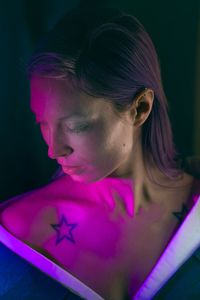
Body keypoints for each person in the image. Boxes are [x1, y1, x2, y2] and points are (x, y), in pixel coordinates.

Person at [1, 7, 200, 300]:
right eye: (41, 122)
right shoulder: (14, 237)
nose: (54, 149)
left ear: (140, 108)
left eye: (77, 126)